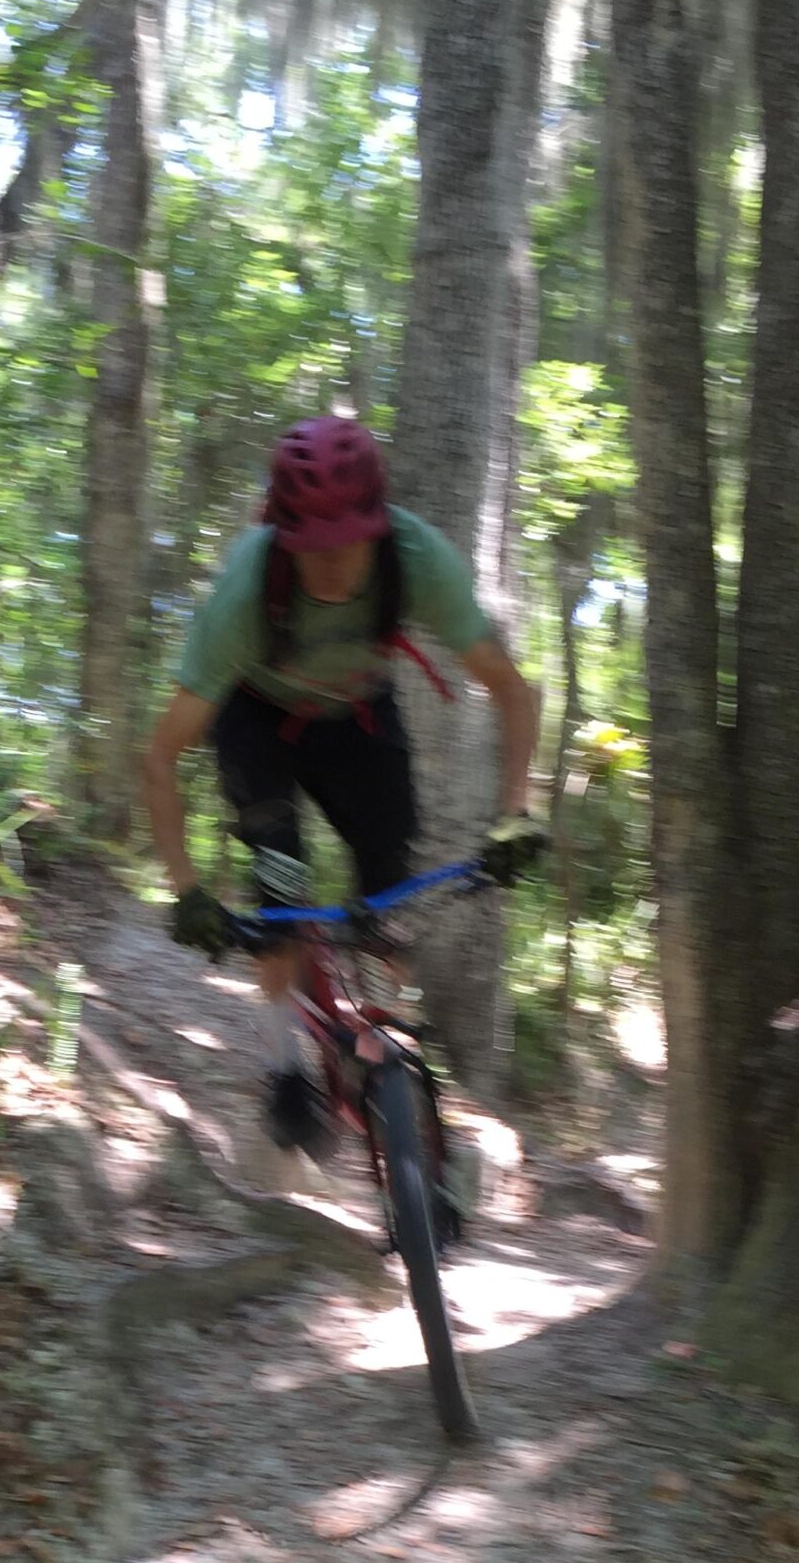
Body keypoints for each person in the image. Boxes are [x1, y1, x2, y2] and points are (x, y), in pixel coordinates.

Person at [142, 412, 539, 1155]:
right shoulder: (246, 590)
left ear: (377, 524)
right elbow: (160, 754)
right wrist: (187, 889)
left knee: (387, 897)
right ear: (281, 534)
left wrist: (517, 813)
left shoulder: (416, 559)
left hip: (358, 719)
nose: (331, 566)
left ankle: (397, 1059)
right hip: (257, 724)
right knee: (281, 903)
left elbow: (513, 692)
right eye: (311, 547)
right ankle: (285, 1067)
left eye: (347, 544)